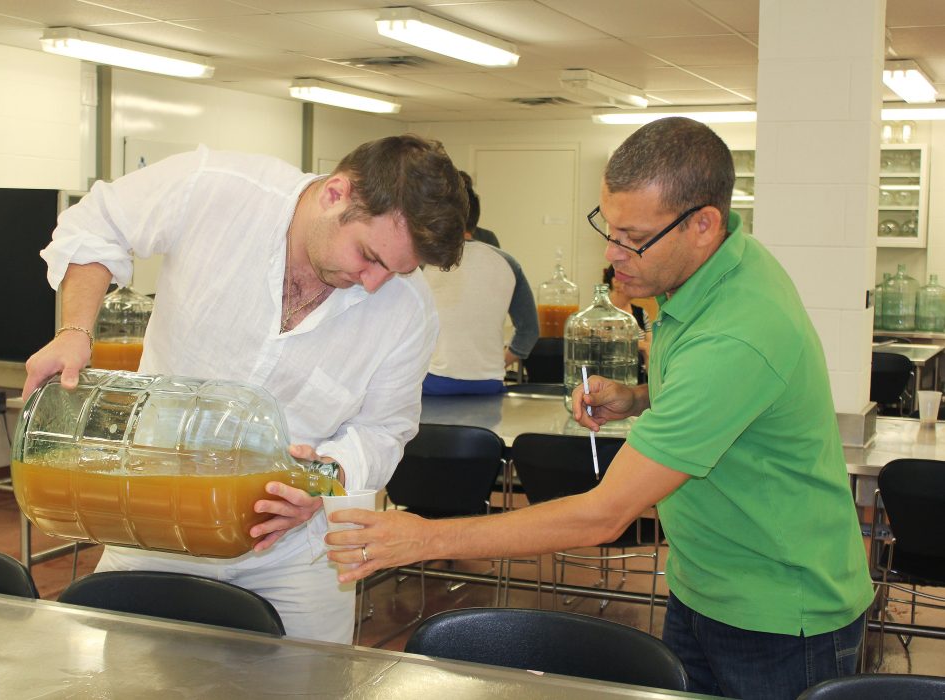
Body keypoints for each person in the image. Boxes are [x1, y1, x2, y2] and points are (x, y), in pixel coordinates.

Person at [328, 117, 873, 699]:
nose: (612, 253)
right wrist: (640, 398)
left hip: (779, 612)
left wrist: (425, 540)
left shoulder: (738, 334)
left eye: (632, 236)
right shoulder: (710, 271)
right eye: (607, 227)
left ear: (703, 225)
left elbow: (602, 516)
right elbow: (729, 400)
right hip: (703, 583)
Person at [21, 134, 468, 644]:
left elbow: (383, 430)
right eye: (369, 256)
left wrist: (321, 481)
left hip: (290, 549)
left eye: (396, 271)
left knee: (308, 686)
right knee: (132, 682)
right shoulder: (216, 188)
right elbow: (96, 225)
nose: (373, 283)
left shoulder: (407, 313)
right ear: (336, 193)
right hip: (155, 519)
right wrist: (74, 330)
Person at [422, 172, 539, 395]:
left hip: (432, 382)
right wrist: (497, 362)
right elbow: (529, 330)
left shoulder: (426, 262)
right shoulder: (508, 263)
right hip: (489, 384)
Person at [604, 264, 652, 381]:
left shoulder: (641, 312)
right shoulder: (601, 312)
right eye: (632, 279)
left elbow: (651, 345)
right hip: (611, 377)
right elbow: (604, 339)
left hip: (640, 378)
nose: (638, 285)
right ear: (615, 282)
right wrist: (642, 346)